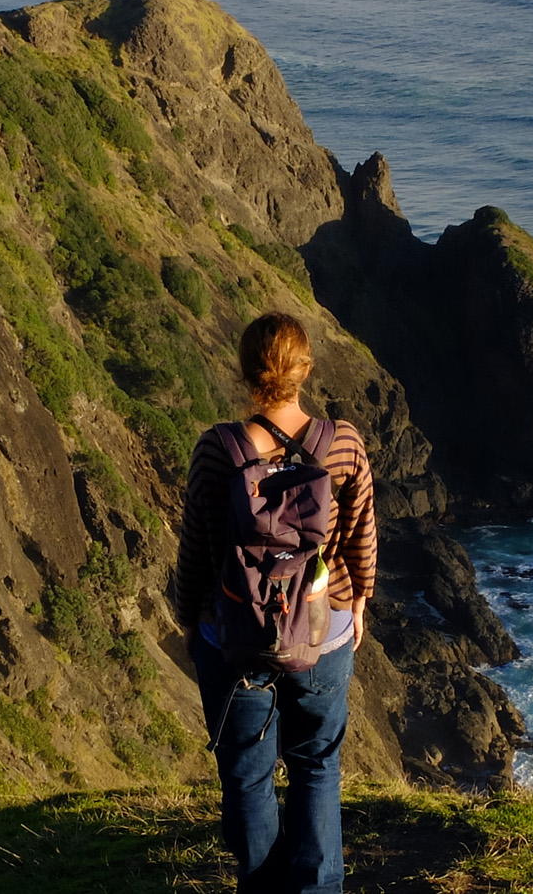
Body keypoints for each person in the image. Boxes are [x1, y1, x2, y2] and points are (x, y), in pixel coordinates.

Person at [173, 311, 377, 894]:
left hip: (234, 632)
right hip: (322, 628)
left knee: (247, 773)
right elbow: (361, 534)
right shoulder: (342, 444)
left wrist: (192, 621)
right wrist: (358, 601)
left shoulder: (217, 450)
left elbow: (196, 548)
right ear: (305, 370)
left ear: (245, 372)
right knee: (316, 765)